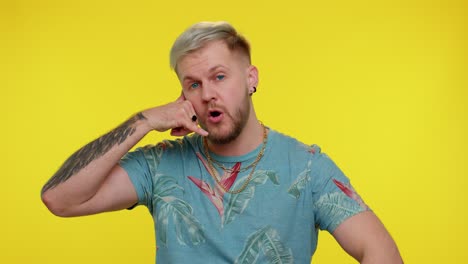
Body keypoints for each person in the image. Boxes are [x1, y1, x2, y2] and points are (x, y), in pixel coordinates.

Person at [41, 21, 403, 263]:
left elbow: (381, 252)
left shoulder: (307, 168)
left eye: (219, 76)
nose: (208, 94)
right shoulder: (160, 165)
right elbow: (59, 198)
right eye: (193, 84)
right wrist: (145, 120)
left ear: (250, 79)